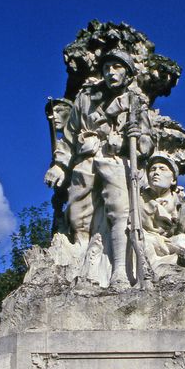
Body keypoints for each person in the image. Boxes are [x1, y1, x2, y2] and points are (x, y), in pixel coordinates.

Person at [44, 50, 152, 289]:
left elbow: (147, 141)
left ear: (128, 73)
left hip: (117, 161)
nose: (111, 72)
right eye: (107, 68)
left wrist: (132, 141)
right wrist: (60, 166)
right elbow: (70, 137)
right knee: (77, 212)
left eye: (117, 67)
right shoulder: (85, 98)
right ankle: (81, 264)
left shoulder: (135, 103)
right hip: (87, 160)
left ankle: (120, 272)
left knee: (120, 210)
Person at [140, 153, 185, 285]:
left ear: (173, 180)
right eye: (152, 169)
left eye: (162, 169)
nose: (156, 173)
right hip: (146, 255)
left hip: (178, 255)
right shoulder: (137, 202)